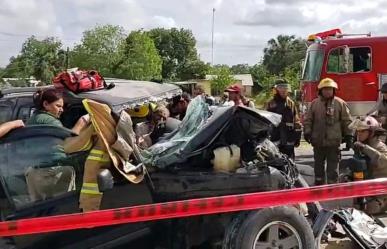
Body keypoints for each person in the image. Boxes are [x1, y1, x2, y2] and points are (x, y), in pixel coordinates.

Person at [303, 78, 353, 185]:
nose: (328, 91)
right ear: (320, 91)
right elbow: (308, 120)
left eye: (330, 89)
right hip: (318, 142)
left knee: (333, 168)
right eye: (325, 89)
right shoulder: (314, 104)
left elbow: (347, 121)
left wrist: (349, 136)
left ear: (334, 90)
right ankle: (318, 187)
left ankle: (332, 189)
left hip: (334, 143)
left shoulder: (340, 103)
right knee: (318, 166)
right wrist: (307, 132)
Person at [349, 116, 387, 214]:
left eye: (362, 131)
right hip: (366, 189)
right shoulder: (360, 146)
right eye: (358, 131)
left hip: (380, 193)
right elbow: (358, 167)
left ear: (371, 132)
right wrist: (348, 176)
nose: (359, 134)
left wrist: (366, 148)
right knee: (355, 208)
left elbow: (384, 162)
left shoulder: (380, 147)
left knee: (369, 209)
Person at [266, 79, 301, 159]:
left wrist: (297, 137)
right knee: (275, 161)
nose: (283, 90)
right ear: (275, 90)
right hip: (275, 137)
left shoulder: (291, 103)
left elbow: (296, 121)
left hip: (289, 137)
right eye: (281, 88)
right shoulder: (271, 103)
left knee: (290, 162)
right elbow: (265, 121)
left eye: (285, 88)